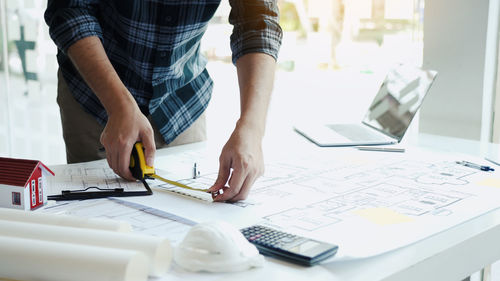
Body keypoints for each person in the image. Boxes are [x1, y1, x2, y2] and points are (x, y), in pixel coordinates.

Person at [44, 1, 282, 202]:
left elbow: (259, 23)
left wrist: (252, 128)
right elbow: (70, 10)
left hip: (181, 101)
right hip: (96, 96)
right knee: (101, 223)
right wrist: (118, 105)